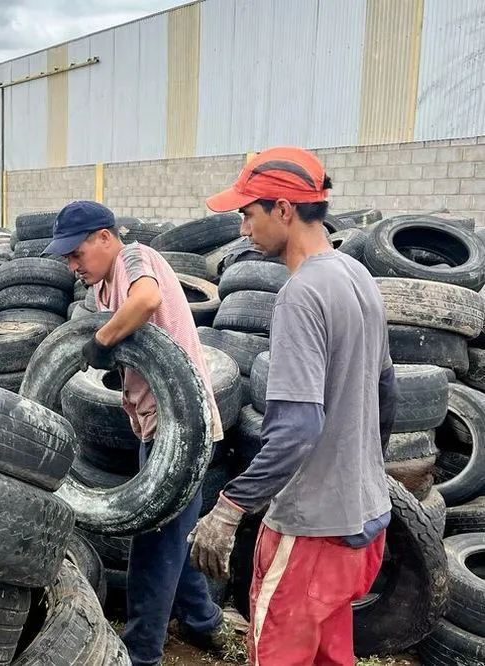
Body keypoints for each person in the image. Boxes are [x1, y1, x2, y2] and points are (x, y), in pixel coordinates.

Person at [189, 146, 398, 665]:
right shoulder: (357, 276)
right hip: (363, 521)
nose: (242, 229)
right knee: (331, 656)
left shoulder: (301, 294)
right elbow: (386, 392)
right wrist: (362, 469)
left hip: (309, 533)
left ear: (283, 209)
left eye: (247, 213)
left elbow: (296, 428)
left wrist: (231, 507)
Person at [43, 200, 227, 666]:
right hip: (155, 427)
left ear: (105, 237)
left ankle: (142, 652)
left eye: (76, 253)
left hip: (182, 430)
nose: (72, 265)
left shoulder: (134, 259)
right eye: (65, 257)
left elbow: (147, 301)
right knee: (172, 536)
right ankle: (206, 624)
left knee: (152, 543)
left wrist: (102, 340)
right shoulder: (104, 289)